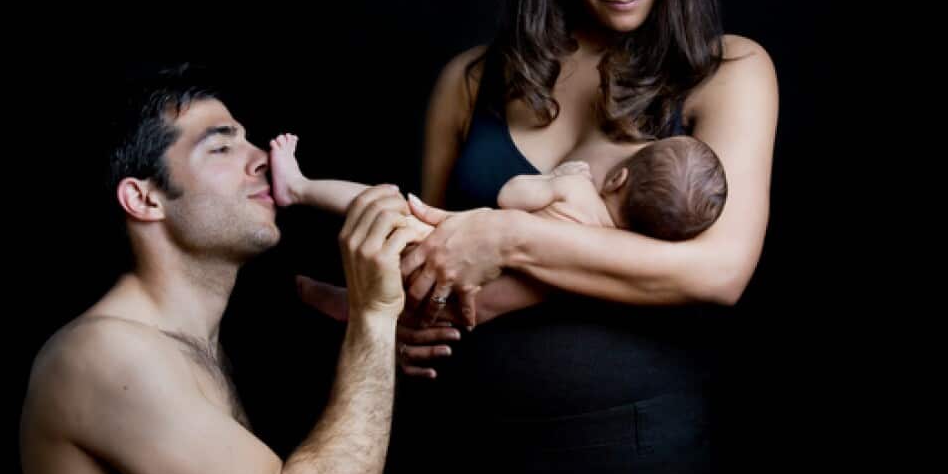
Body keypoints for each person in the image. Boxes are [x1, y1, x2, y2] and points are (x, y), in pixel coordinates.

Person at [379, 0, 779, 474]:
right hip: (461, 455)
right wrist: (404, 317)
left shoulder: (730, 72)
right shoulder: (470, 81)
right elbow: (428, 256)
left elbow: (719, 273)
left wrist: (509, 237)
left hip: (637, 466)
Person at [19, 67, 420, 474]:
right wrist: (373, 317)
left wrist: (372, 323)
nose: (264, 159)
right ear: (145, 199)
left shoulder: (187, 342)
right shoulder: (106, 353)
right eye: (222, 147)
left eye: (249, 140)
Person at [275, 131, 727, 327]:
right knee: (394, 313)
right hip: (480, 310)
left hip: (450, 256)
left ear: (618, 178)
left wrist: (554, 180)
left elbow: (511, 197)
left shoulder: (575, 191)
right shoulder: (618, 259)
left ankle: (299, 188)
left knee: (385, 207)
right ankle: (335, 302)